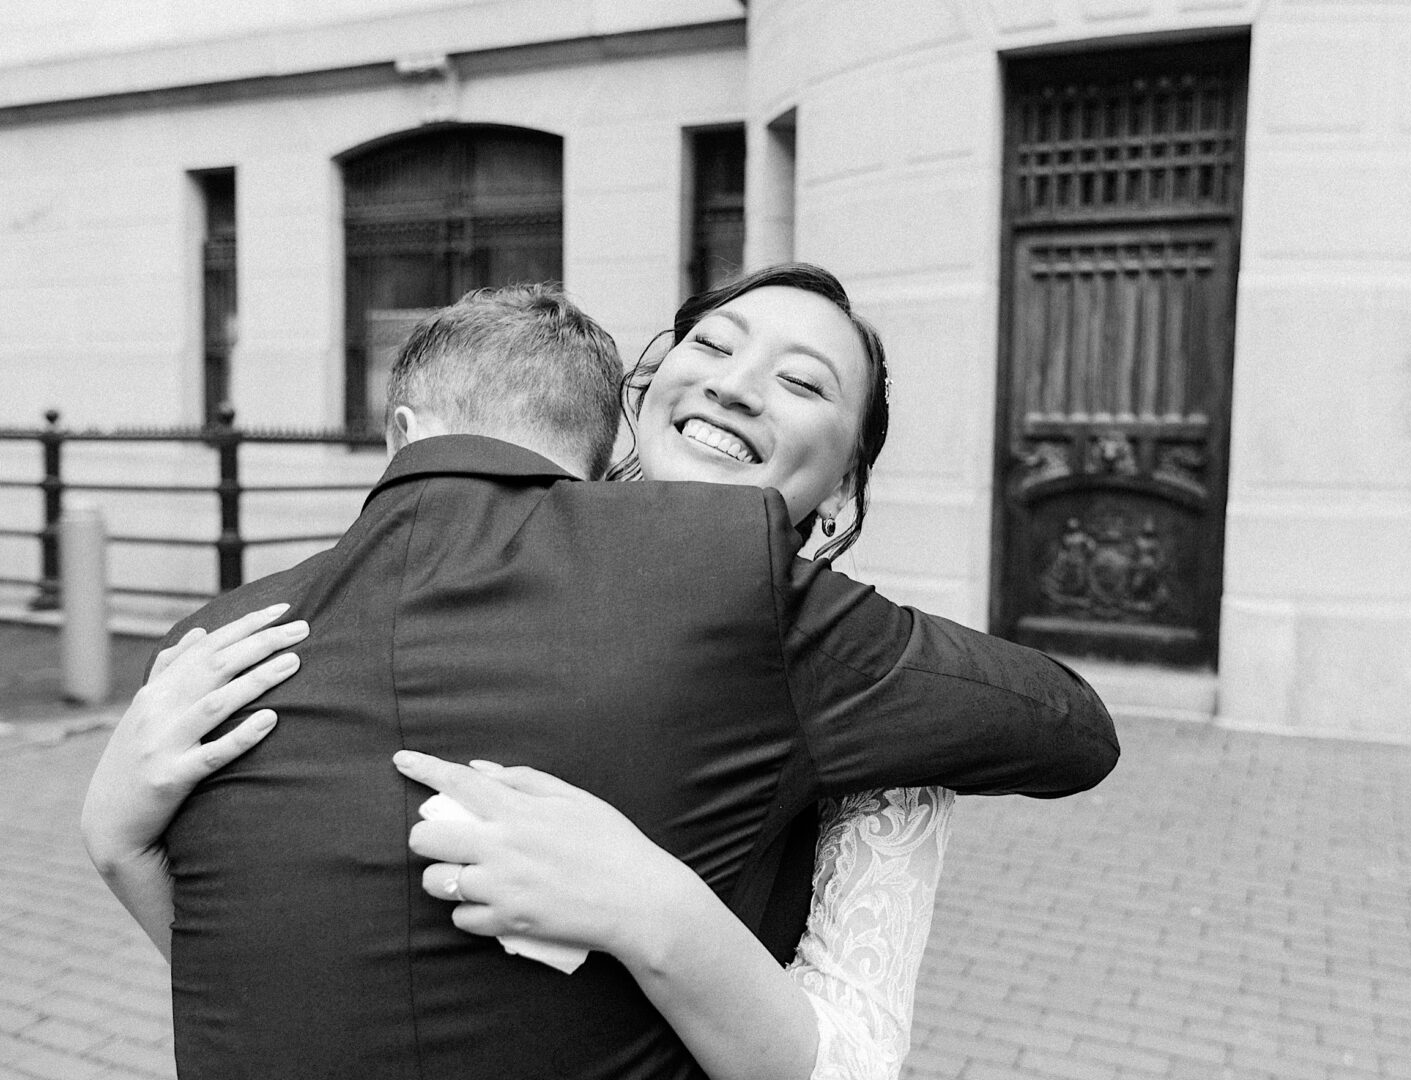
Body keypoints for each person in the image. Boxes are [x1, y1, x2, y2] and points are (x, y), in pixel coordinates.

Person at [82, 275, 1117, 1080]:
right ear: (636, 401)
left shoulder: (882, 702)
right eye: (709, 345)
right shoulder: (465, 590)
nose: (734, 381)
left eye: (803, 382)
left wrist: (652, 906)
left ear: (842, 486)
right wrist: (120, 835)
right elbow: (309, 980)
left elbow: (851, 1060)